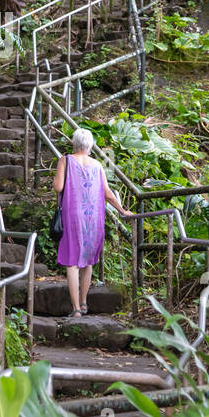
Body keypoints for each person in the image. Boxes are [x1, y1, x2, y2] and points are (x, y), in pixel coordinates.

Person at [52, 127, 130, 319]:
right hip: (94, 217)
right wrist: (122, 210)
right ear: (90, 145)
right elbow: (107, 192)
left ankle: (77, 308)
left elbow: (58, 187)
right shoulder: (97, 165)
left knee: (72, 261)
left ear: (74, 143)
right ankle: (85, 302)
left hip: (73, 215)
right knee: (87, 260)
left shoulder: (66, 160)